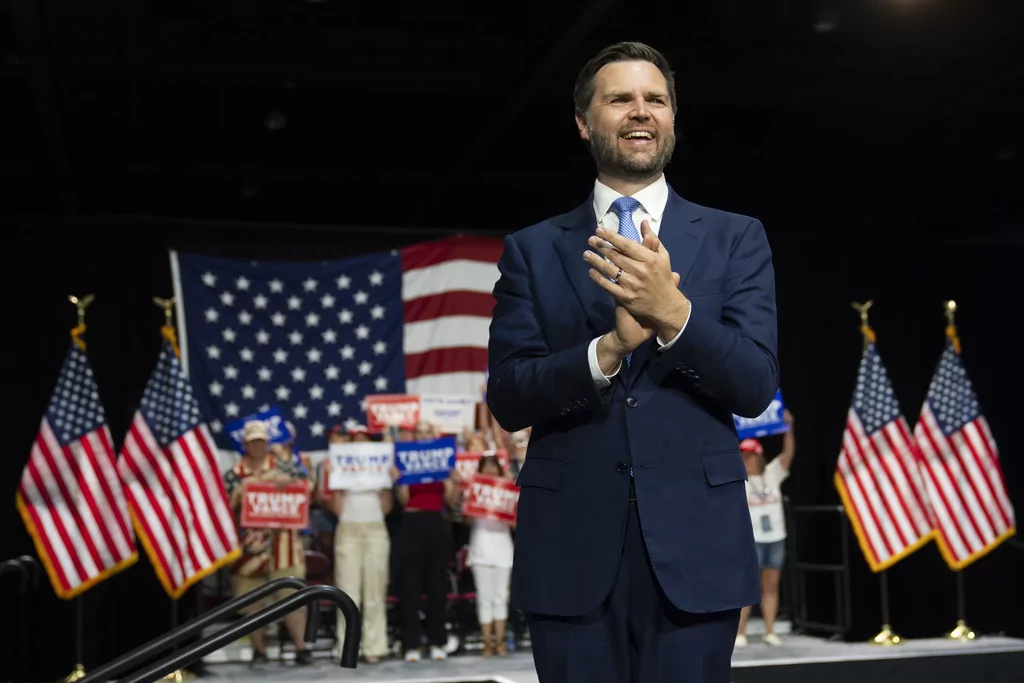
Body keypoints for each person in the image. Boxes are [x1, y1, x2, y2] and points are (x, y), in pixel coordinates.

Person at [486, 41, 778, 683]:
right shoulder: (531, 250)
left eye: (656, 99)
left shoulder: (737, 238)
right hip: (569, 550)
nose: (640, 111)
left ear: (673, 118)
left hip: (694, 549)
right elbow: (508, 396)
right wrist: (607, 350)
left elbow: (755, 384)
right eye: (619, 98)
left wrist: (674, 315)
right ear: (585, 122)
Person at [223, 420, 314, 667]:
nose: (258, 447)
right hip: (250, 549)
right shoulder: (234, 475)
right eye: (253, 443)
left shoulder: (285, 467)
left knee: (292, 597)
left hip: (284, 545)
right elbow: (223, 512)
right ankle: (259, 651)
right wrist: (238, 496)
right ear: (245, 445)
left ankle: (301, 648)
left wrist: (289, 484)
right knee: (251, 601)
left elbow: (309, 490)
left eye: (262, 442)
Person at [393, 421, 463, 662]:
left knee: (437, 587)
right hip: (411, 525)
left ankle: (438, 642)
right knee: (410, 588)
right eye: (419, 433)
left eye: (427, 432)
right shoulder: (405, 460)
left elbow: (452, 503)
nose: (423, 436)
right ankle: (411, 644)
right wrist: (400, 480)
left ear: (434, 436)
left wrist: (455, 482)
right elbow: (403, 501)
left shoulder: (444, 461)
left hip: (436, 524)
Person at [736, 410, 795, 647]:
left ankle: (769, 631)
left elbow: (788, 454)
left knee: (771, 587)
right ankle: (740, 633)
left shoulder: (772, 473)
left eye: (750, 455)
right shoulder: (739, 480)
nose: (746, 459)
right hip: (752, 540)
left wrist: (789, 428)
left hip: (775, 539)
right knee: (746, 589)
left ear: (759, 457)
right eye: (743, 456)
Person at [465, 455, 516, 657]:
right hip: (480, 549)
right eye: (486, 467)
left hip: (503, 549)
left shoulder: (508, 490)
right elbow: (467, 520)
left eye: (493, 467)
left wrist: (511, 491)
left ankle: (500, 642)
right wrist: (469, 498)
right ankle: (487, 643)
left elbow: (516, 524)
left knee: (501, 597)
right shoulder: (474, 489)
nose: (490, 471)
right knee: (484, 598)